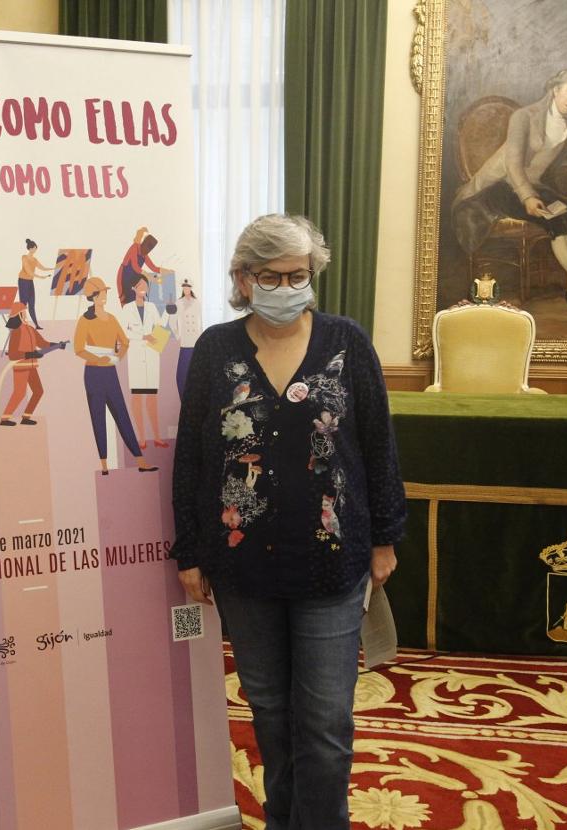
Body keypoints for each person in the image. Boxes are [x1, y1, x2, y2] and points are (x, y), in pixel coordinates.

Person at [171, 214, 406, 830]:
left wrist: (385, 537)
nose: (285, 287)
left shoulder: (346, 342)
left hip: (332, 563)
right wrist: (189, 551)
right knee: (271, 715)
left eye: (297, 275)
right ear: (243, 278)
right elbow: (193, 456)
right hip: (243, 566)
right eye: (270, 276)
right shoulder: (216, 349)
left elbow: (377, 445)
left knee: (325, 723)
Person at [453, 68, 567, 313]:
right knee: (555, 221)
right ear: (556, 89)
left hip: (532, 185)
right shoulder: (524, 116)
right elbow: (513, 164)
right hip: (499, 187)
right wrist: (527, 197)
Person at [72, 276, 158, 475]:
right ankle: (104, 465)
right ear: (94, 296)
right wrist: (98, 358)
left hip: (110, 371)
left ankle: (141, 461)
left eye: (105, 292)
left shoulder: (111, 318)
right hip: (93, 374)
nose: (105, 296)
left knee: (122, 414)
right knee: (98, 417)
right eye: (102, 293)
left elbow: (124, 342)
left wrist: (118, 356)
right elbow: (78, 349)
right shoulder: (84, 321)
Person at [118, 274, 169, 448]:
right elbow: (123, 333)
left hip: (151, 355)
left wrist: (168, 311)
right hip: (136, 356)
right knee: (137, 399)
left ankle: (156, 437)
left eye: (146, 285)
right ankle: (141, 438)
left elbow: (160, 325)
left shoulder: (152, 307)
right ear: (133, 288)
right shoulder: (127, 309)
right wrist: (142, 336)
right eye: (140, 285)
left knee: (152, 399)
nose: (144, 288)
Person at [0, 301, 67, 425]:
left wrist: (58, 345)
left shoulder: (30, 329)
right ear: (19, 314)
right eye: (23, 312)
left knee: (38, 391)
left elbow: (43, 343)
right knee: (19, 394)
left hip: (31, 366)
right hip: (21, 367)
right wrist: (30, 354)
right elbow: (13, 354)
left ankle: (26, 417)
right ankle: (5, 419)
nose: (26, 314)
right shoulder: (16, 332)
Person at [171, 279, 202, 396]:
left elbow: (200, 321)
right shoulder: (178, 303)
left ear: (191, 288)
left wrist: (201, 336)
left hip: (196, 340)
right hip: (185, 342)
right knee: (182, 374)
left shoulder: (196, 302)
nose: (186, 289)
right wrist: (177, 335)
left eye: (188, 287)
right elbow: (172, 321)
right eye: (184, 287)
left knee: (197, 372)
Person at [117, 226, 163, 305]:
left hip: (134, 278)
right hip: (124, 277)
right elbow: (135, 266)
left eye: (150, 249)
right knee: (125, 299)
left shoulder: (144, 255)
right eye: (148, 247)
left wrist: (166, 271)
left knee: (141, 296)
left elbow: (153, 267)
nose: (148, 250)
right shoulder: (134, 247)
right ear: (143, 243)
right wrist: (148, 275)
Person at [18, 238, 51, 328]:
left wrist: (53, 269)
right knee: (23, 304)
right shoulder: (24, 257)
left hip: (30, 282)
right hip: (23, 281)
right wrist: (41, 277)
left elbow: (42, 268)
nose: (35, 250)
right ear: (31, 248)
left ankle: (36, 325)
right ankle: (21, 324)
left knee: (32, 303)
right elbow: (29, 271)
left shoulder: (34, 259)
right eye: (35, 248)